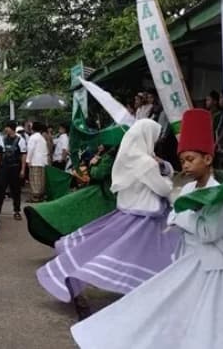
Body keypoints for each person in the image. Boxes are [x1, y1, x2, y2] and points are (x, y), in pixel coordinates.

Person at [70, 109, 223, 348]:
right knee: (173, 312)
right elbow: (177, 216)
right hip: (190, 262)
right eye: (183, 161)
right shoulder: (189, 190)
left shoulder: (218, 195)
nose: (186, 166)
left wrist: (182, 219)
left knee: (221, 319)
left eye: (191, 159)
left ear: (208, 160)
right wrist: (182, 217)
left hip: (218, 267)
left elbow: (208, 233)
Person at [36, 119, 180, 319]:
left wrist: (161, 165)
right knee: (133, 256)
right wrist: (165, 176)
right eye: (154, 138)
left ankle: (78, 273)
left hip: (128, 213)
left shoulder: (128, 156)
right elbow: (164, 188)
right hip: (146, 217)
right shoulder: (145, 162)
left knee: (111, 250)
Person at [0, 121, 27, 243]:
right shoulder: (3, 139)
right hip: (4, 168)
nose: (6, 130)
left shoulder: (20, 140)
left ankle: (17, 210)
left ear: (12, 128)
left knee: (16, 190)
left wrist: (23, 169)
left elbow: (23, 155)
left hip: (15, 167)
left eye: (7, 127)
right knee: (0, 192)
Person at [26, 121, 49, 203]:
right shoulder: (42, 138)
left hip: (34, 161)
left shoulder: (33, 137)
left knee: (34, 180)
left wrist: (28, 160)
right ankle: (40, 196)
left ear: (33, 128)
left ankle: (35, 197)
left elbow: (30, 149)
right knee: (41, 180)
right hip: (42, 162)